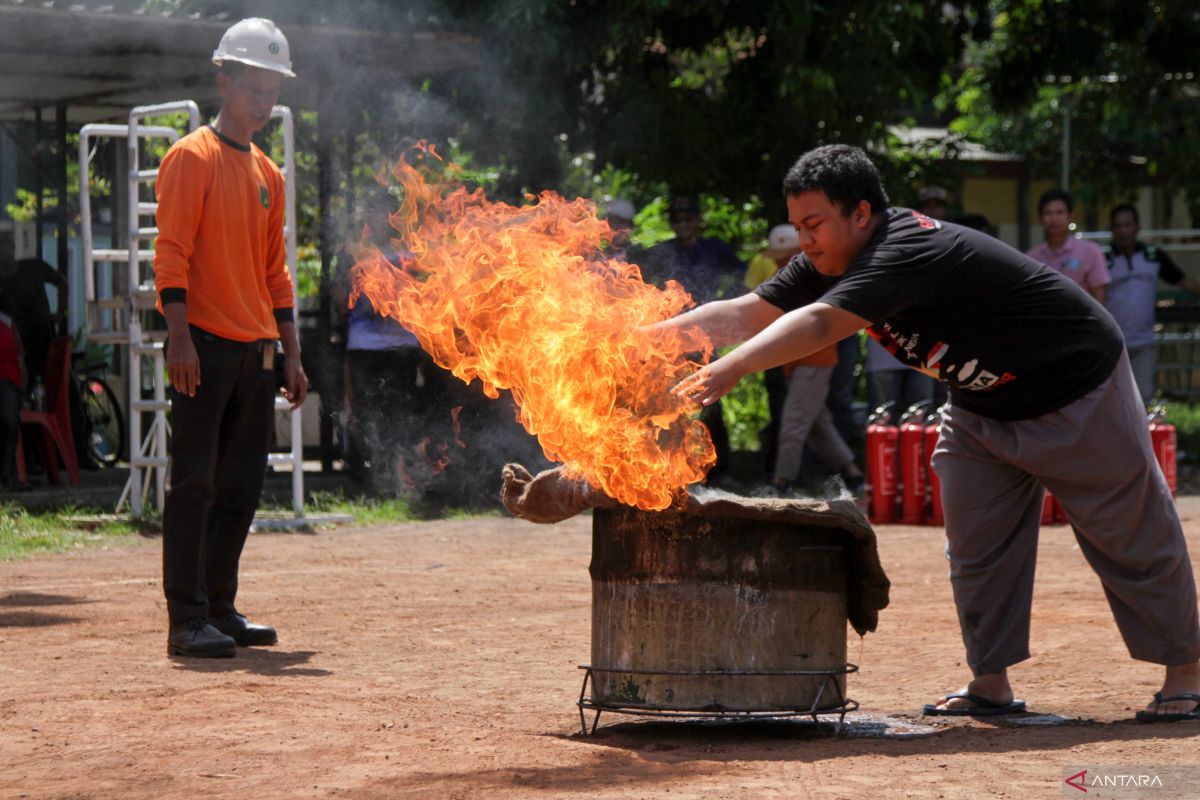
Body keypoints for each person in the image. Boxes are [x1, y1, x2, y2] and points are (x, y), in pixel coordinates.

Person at [666, 144, 1200, 721]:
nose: (805, 240)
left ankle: (1188, 675)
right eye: (798, 226)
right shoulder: (828, 260)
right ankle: (990, 682)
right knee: (976, 545)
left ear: (861, 214)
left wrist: (732, 366)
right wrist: (640, 339)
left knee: (1131, 534)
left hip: (1074, 386)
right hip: (981, 404)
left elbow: (819, 323)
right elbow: (747, 311)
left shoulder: (907, 248)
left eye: (814, 224)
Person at [153, 17, 308, 658]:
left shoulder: (269, 174)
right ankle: (185, 619)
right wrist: (179, 338)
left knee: (242, 485)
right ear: (225, 80)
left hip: (256, 352)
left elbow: (276, 270)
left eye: (273, 90)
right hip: (206, 346)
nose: (264, 101)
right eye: (254, 87)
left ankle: (219, 606)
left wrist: (293, 353)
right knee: (195, 482)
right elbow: (172, 254)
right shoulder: (192, 158)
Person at [645, 197, 745, 479]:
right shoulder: (664, 252)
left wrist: (728, 307)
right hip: (672, 340)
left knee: (710, 398)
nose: (683, 225)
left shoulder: (713, 249)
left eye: (688, 220)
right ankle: (671, 468)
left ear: (698, 221)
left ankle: (720, 469)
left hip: (704, 336)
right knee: (668, 403)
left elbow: (742, 274)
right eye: (678, 220)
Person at [1106, 203, 1200, 406]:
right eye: (1118, 225)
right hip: (1112, 346)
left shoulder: (1153, 256)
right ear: (1112, 230)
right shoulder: (1103, 260)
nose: (1123, 230)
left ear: (1137, 228)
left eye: (1127, 225)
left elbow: (1183, 281)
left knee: (1143, 400)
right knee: (1111, 404)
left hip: (1143, 343)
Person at [1027, 188, 1109, 304]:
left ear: (1070, 216)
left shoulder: (1090, 251)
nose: (1054, 218)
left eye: (1059, 213)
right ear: (1041, 218)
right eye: (1048, 213)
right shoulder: (1032, 258)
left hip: (1081, 320)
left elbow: (1100, 296)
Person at [0, 297, 28, 491]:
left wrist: (22, 392)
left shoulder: (7, 323)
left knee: (8, 417)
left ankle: (8, 475)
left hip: (6, 382)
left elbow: (20, 362)